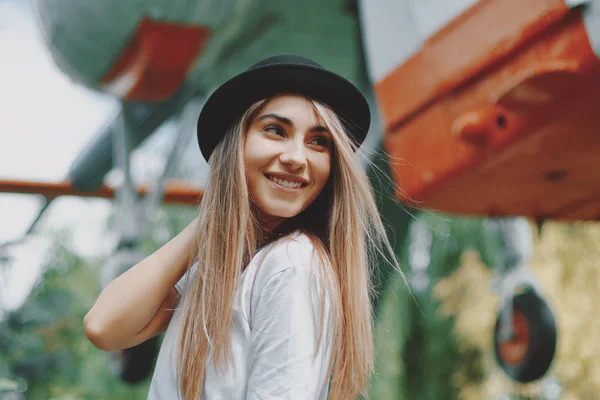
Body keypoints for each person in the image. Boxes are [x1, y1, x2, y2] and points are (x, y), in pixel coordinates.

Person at [83, 54, 404, 399]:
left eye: (318, 141)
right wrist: (215, 221)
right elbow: (104, 327)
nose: (297, 157)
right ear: (236, 144)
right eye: (276, 130)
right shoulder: (213, 273)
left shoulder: (291, 263)